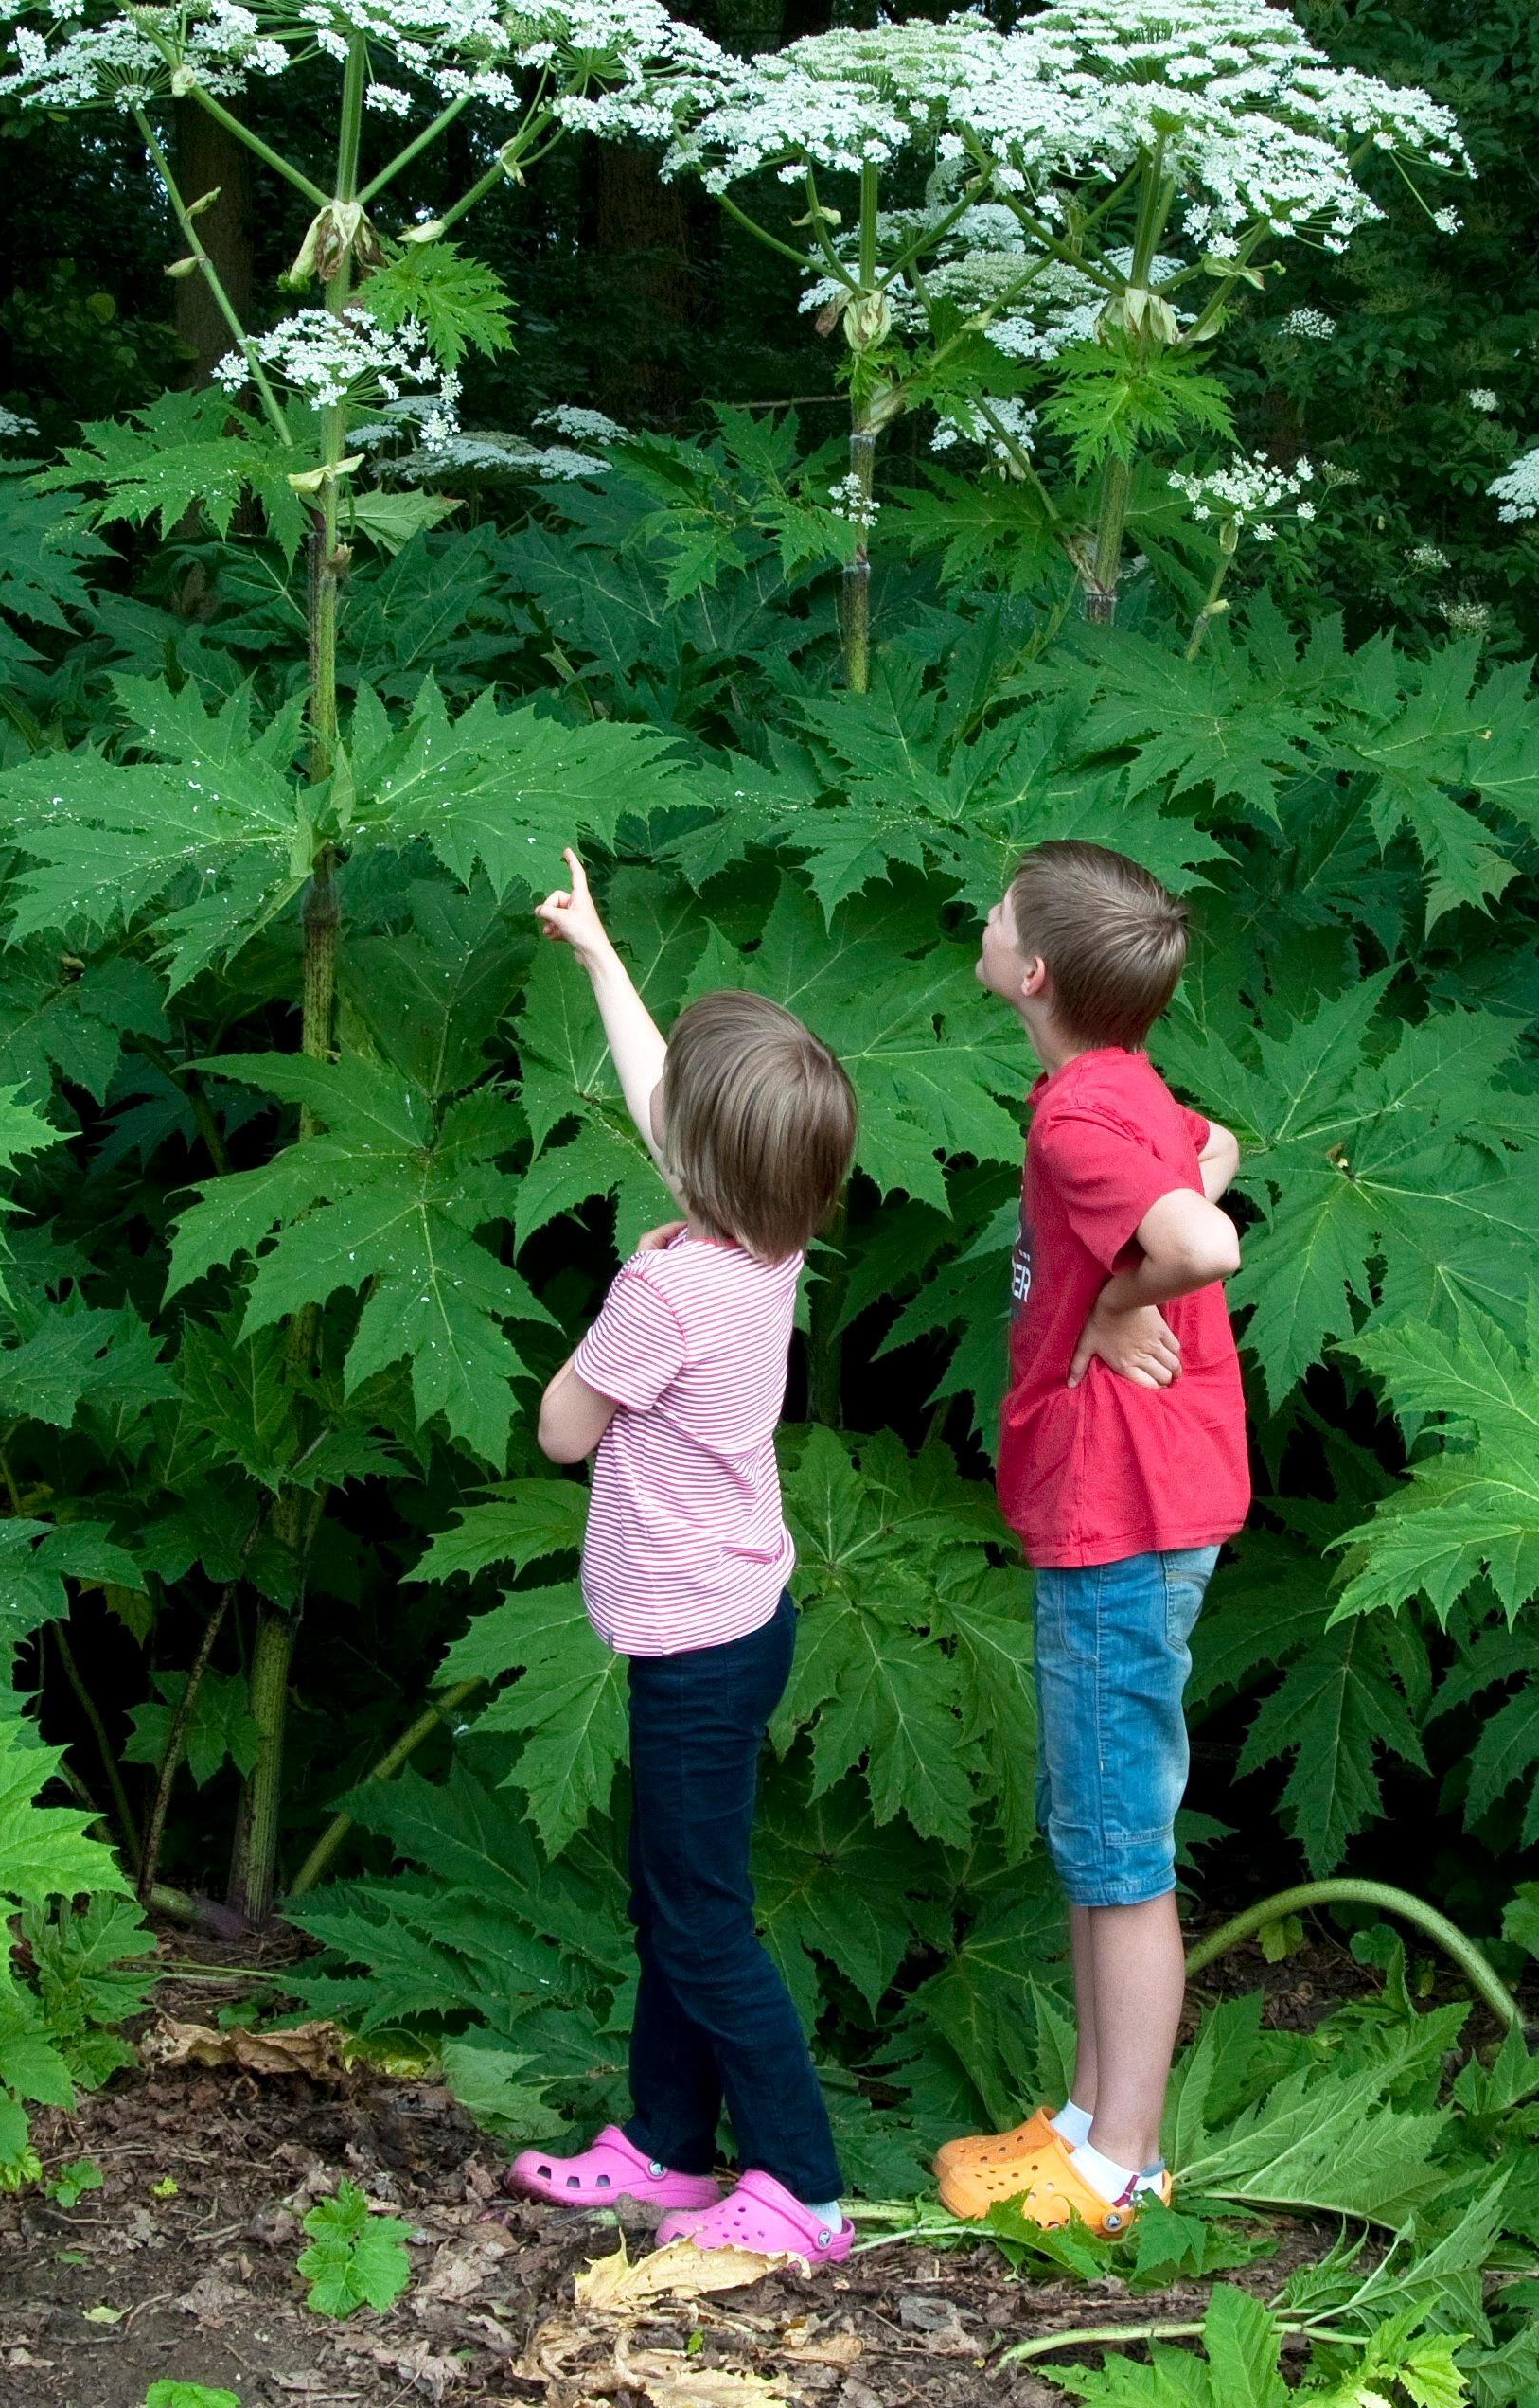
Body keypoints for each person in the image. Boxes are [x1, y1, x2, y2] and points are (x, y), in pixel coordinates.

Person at [501, 849, 861, 2267]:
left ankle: (803, 2187)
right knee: (678, 1895)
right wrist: (599, 953)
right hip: (735, 1618)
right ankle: (663, 2146)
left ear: (698, 1171)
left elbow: (559, 1433)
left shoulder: (665, 1283)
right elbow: (673, 1100)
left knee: (702, 1920)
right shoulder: (763, 1247)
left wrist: (618, 1301)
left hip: (694, 1648)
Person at [936, 840, 1248, 2239]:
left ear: (1036, 973)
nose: (984, 926)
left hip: (1123, 1520)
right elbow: (1215, 1150)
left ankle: (1124, 2164)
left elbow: (1209, 1236)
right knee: (1093, 1831)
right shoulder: (1118, 1093)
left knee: (1120, 1848)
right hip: (1130, 1507)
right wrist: (1121, 1280)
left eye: (999, 916)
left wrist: (1133, 1295)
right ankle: (1080, 2122)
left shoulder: (1077, 1123)